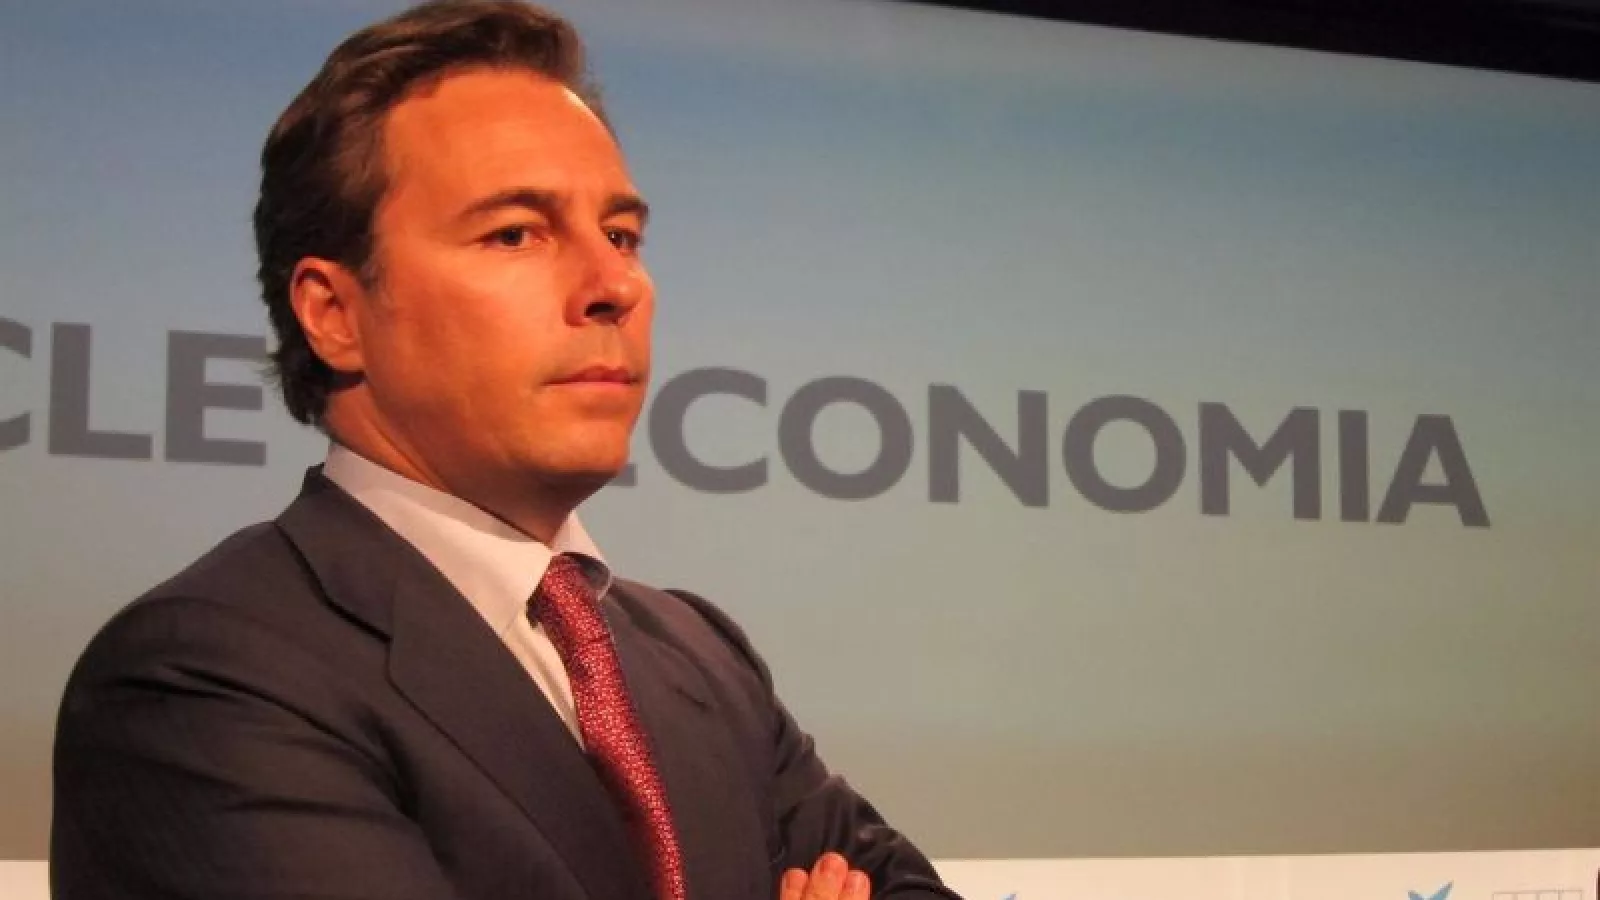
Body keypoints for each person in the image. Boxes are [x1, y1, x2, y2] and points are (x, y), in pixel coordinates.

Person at [48, 2, 962, 899]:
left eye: (621, 235)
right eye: (516, 233)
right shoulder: (204, 678)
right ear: (334, 314)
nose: (614, 285)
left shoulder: (700, 655)